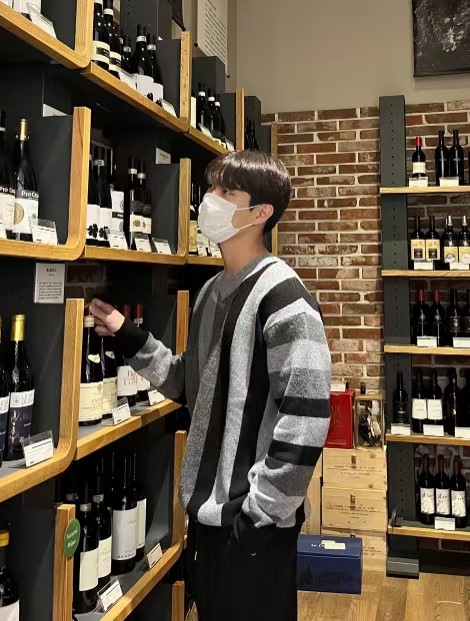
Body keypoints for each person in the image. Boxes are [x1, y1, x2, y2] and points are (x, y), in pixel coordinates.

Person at [89, 150, 331, 621]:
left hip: (253, 528)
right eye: (211, 188)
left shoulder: (285, 297)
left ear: (260, 213)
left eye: (226, 192)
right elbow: (192, 385)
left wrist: (259, 516)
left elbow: (306, 418)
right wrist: (130, 336)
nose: (209, 200)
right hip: (207, 522)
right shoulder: (210, 292)